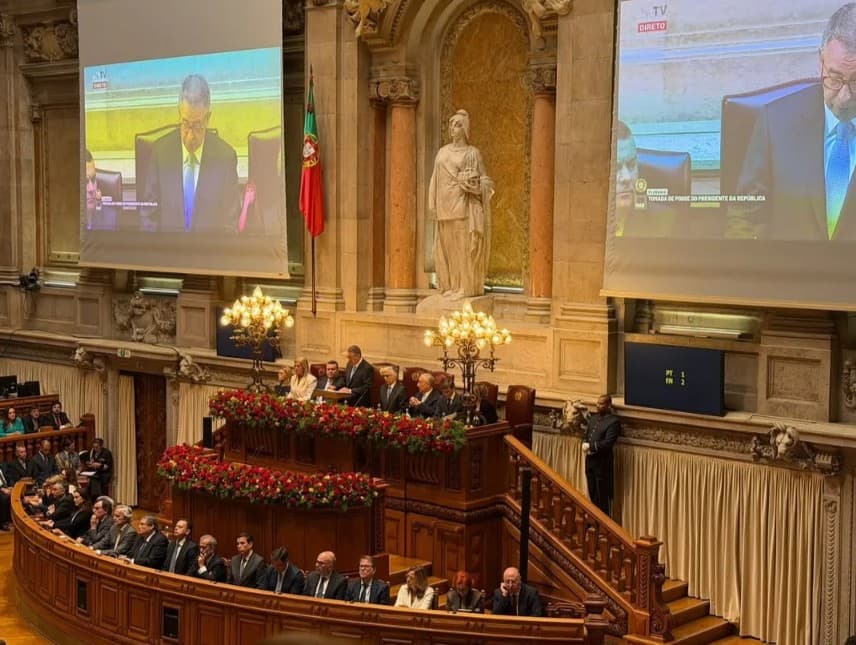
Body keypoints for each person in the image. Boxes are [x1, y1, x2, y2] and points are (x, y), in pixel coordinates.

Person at [727, 4, 856, 240]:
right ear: (821, 61)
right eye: (835, 79)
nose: (845, 97)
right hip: (787, 273)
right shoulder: (775, 123)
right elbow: (744, 220)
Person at [140, 74, 240, 233]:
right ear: (179, 113)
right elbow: (148, 217)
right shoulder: (161, 152)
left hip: (208, 255)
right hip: (167, 254)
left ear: (208, 118)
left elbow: (231, 224)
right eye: (185, 124)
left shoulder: (225, 158)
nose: (190, 136)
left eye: (197, 126)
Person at [428, 109, 494, 299]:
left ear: (464, 129)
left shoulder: (472, 153)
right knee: (446, 250)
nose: (452, 128)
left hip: (462, 208)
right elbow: (434, 178)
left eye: (457, 124)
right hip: (443, 207)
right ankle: (449, 285)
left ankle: (464, 288)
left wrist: (474, 186)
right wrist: (432, 202)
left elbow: (487, 181)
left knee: (463, 250)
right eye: (451, 124)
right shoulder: (442, 152)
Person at [582, 394, 621, 516]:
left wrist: (592, 447)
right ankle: (594, 521)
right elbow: (587, 435)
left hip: (602, 464)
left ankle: (604, 527)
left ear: (608, 405)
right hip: (590, 461)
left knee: (603, 497)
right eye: (597, 403)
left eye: (601, 404)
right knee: (592, 493)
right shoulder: (593, 419)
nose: (598, 406)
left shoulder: (613, 421)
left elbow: (608, 443)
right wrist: (584, 443)